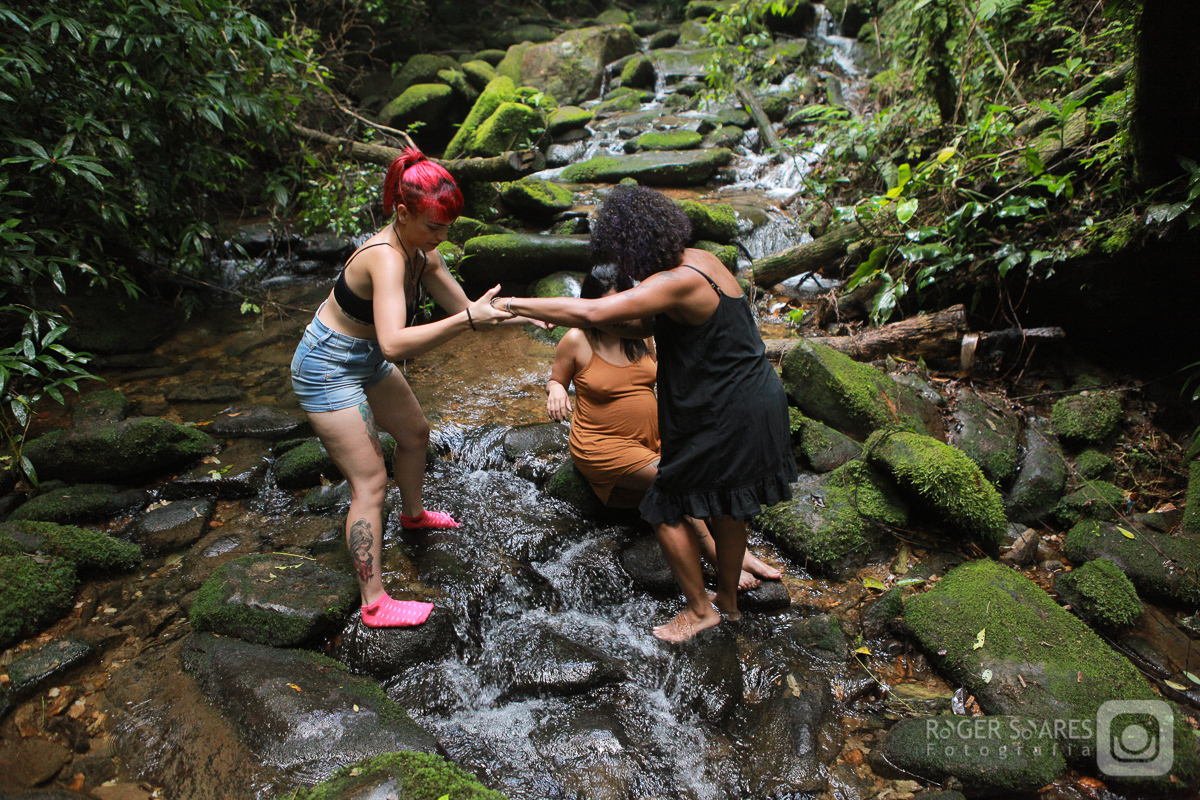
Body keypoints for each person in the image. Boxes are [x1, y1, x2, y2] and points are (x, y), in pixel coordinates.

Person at [497, 184, 797, 642]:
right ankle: (729, 606)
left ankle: (700, 611)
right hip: (757, 402)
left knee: (665, 504)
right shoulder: (702, 261)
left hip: (726, 413)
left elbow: (600, 309)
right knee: (728, 507)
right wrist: (571, 320)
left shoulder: (674, 281)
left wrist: (513, 305)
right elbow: (631, 321)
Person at [290, 146, 535, 628]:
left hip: (367, 358)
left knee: (415, 435)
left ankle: (414, 515)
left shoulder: (422, 251)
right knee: (370, 482)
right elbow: (396, 341)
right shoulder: (384, 259)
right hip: (327, 366)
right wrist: (467, 319)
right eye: (433, 227)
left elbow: (467, 310)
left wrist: (529, 315)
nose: (441, 237)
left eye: (446, 228)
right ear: (402, 213)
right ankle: (374, 602)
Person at [546, 265, 782, 591]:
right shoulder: (576, 339)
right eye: (611, 305)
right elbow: (557, 379)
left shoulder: (643, 335)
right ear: (593, 305)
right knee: (677, 481)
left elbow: (665, 374)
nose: (621, 314)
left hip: (656, 439)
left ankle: (740, 554)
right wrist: (557, 390)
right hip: (602, 444)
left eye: (626, 303)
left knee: (709, 474)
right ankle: (715, 555)